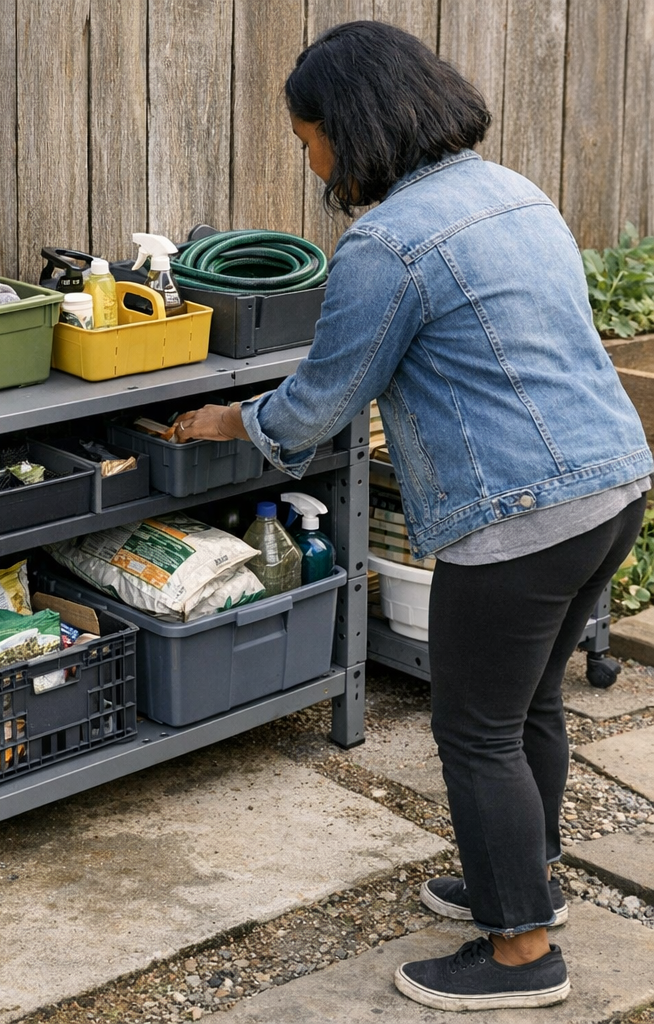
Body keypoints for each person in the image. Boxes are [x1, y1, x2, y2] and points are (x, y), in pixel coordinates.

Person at [175, 20, 653, 1013]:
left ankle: (520, 952)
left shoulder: (384, 244)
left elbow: (319, 400)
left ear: (347, 130)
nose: (307, 159)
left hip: (520, 513)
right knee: (527, 707)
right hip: (611, 485)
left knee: (473, 726)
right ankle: (525, 881)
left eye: (306, 138)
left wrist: (228, 417)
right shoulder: (510, 189)